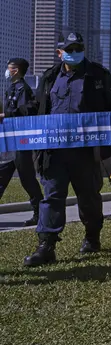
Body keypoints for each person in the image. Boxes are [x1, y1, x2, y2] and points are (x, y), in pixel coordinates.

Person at [23, 32, 111, 267]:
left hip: (86, 150)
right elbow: (37, 107)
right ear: (59, 52)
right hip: (53, 150)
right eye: (69, 48)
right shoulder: (50, 77)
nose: (74, 52)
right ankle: (47, 245)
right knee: (52, 197)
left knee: (89, 197)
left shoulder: (98, 74)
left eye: (78, 48)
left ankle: (92, 236)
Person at [0, 58, 43, 226]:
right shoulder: (12, 88)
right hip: (10, 141)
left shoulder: (22, 89)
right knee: (2, 176)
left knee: (27, 179)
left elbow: (26, 112)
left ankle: (39, 213)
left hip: (20, 141)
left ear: (15, 70)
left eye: (9, 68)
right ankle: (39, 212)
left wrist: (5, 116)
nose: (6, 71)